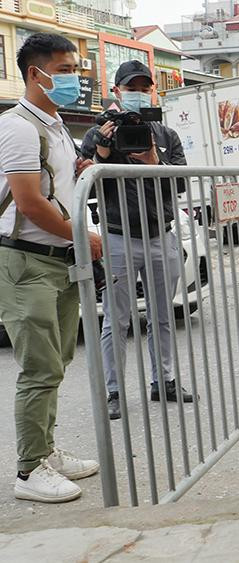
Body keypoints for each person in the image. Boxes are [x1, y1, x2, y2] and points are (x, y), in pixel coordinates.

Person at [0, 33, 101, 503]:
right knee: (39, 368)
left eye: (75, 69)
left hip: (55, 260)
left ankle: (46, 451)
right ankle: (28, 471)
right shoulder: (19, 127)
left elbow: (51, 190)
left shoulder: (57, 127)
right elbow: (28, 202)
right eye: (63, 70)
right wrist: (80, 236)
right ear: (35, 73)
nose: (74, 78)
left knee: (56, 363)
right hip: (26, 260)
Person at [81, 60, 193, 420]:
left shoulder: (165, 134)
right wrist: (101, 153)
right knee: (117, 319)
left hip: (161, 234)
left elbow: (179, 183)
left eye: (145, 88)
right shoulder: (100, 132)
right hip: (117, 237)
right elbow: (85, 183)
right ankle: (114, 390)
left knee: (163, 315)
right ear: (116, 92)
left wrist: (153, 160)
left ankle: (165, 380)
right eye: (132, 88)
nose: (139, 94)